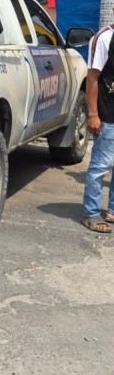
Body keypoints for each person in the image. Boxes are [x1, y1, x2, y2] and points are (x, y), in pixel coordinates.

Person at [81, 22, 114, 233]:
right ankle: (91, 213)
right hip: (107, 113)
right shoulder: (104, 38)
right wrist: (93, 114)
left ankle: (112, 209)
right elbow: (92, 78)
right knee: (100, 166)